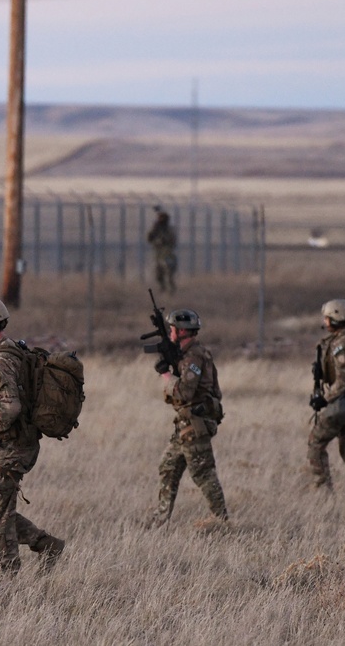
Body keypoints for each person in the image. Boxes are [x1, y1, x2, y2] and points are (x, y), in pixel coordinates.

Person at [0, 297, 65, 574]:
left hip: (14, 444)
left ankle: (10, 574)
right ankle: (45, 544)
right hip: (18, 442)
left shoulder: (2, 360)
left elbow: (10, 407)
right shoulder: (12, 351)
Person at [147, 308, 228, 528]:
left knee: (203, 474)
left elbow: (184, 392)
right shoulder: (187, 355)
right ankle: (160, 519)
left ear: (183, 331)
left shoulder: (194, 356)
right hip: (184, 425)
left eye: (173, 328)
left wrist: (166, 374)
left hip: (195, 424)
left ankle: (221, 521)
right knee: (168, 467)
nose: (171, 332)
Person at [307, 299, 345, 494]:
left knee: (315, 443)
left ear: (335, 319)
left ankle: (323, 490)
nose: (324, 321)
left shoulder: (341, 344)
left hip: (342, 403)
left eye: (327, 318)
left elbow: (344, 378)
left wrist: (325, 398)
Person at [147, 207, 178, 292]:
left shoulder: (169, 230)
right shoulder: (156, 229)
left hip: (167, 255)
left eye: (162, 217)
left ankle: (171, 292)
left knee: (169, 275)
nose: (160, 219)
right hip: (158, 256)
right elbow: (149, 239)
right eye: (159, 217)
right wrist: (153, 230)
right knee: (158, 276)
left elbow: (172, 241)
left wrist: (161, 240)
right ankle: (163, 289)